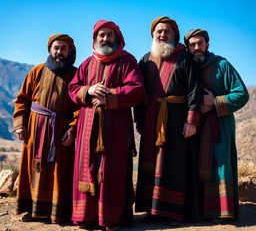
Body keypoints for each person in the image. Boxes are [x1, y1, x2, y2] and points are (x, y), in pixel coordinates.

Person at [68, 20, 144, 230]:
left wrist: (109, 96)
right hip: (87, 125)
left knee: (112, 168)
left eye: (109, 35)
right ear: (95, 39)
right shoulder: (86, 63)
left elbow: (137, 89)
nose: (105, 39)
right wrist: (89, 91)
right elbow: (73, 88)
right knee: (87, 165)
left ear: (117, 38)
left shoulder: (127, 61)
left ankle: (109, 218)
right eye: (101, 35)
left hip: (116, 126)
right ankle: (86, 217)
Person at [135, 17, 201, 226]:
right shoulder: (145, 60)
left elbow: (194, 91)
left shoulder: (184, 57)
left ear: (174, 35)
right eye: (159, 31)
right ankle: (152, 210)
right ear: (153, 35)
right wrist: (139, 119)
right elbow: (139, 93)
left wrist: (191, 121)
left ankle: (173, 213)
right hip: (151, 118)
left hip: (176, 119)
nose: (163, 35)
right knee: (151, 164)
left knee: (173, 165)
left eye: (167, 32)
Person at [184, 29, 249, 222]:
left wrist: (215, 101)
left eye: (201, 44)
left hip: (219, 125)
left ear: (207, 45)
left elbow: (242, 94)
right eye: (193, 44)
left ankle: (222, 211)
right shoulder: (187, 66)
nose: (197, 48)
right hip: (194, 125)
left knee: (219, 164)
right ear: (187, 47)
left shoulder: (222, 64)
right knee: (195, 166)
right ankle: (199, 210)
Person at [13, 34, 79, 223]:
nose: (59, 52)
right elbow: (22, 100)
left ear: (70, 51)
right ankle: (32, 210)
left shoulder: (76, 74)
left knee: (60, 170)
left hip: (61, 130)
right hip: (35, 128)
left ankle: (59, 212)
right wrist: (20, 125)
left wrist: (72, 129)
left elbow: (80, 107)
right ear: (50, 49)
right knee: (34, 168)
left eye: (63, 48)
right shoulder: (37, 71)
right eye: (56, 48)